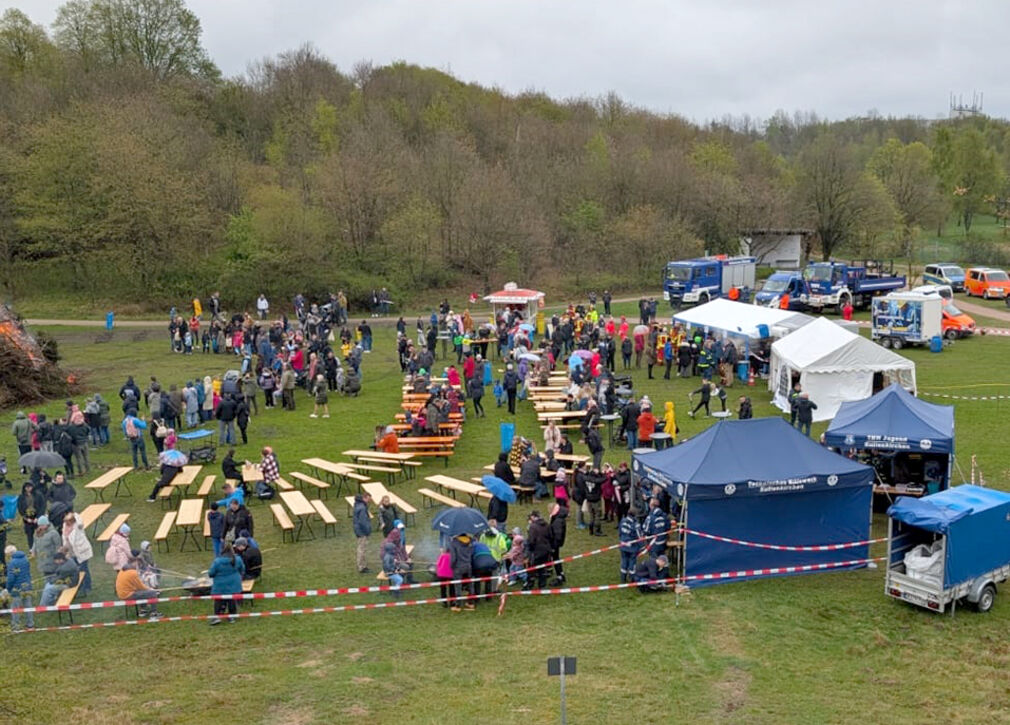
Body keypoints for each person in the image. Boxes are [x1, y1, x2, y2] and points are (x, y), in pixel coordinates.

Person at [208, 544, 245, 625]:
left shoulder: (217, 561)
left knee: (218, 601)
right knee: (232, 600)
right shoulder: (238, 559)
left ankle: (217, 616)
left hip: (220, 585)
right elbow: (242, 569)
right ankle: (232, 616)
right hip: (234, 584)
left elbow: (211, 573)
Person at [62, 512, 93, 596]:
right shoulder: (64, 527)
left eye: (68, 521)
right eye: (66, 521)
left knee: (83, 569)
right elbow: (65, 540)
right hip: (72, 553)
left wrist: (74, 516)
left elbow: (78, 518)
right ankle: (79, 586)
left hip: (82, 551)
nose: (66, 523)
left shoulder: (78, 527)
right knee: (75, 570)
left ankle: (87, 586)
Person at [6, 545, 34, 632]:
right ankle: (30, 625)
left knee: (15, 608)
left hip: (16, 588)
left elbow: (11, 578)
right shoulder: (25, 559)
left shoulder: (12, 563)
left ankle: (16, 626)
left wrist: (8, 588)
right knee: (28, 606)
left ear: (10, 554)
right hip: (27, 586)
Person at [526, 511, 552, 589]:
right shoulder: (546, 524)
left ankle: (530, 585)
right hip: (546, 549)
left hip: (536, 550)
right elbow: (550, 536)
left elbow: (531, 540)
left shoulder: (533, 527)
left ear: (534, 517)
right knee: (543, 568)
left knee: (532, 569)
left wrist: (530, 549)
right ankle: (542, 585)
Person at [448, 533, 475, 611]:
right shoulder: (471, 541)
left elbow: (453, 557)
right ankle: (471, 603)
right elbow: (472, 554)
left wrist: (451, 566)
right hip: (468, 565)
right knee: (470, 585)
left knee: (458, 586)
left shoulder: (454, 543)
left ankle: (458, 605)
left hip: (458, 566)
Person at [31, 515, 61, 583]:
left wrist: (58, 558)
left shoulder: (53, 533)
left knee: (53, 576)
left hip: (51, 559)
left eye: (42, 525)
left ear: (46, 524)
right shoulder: (37, 532)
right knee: (46, 576)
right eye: (39, 525)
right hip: (42, 559)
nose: (40, 527)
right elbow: (35, 542)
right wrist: (33, 551)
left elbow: (58, 546)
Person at [17, 481, 46, 549]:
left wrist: (38, 517)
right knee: (29, 534)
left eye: (30, 487)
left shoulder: (39, 495)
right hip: (27, 518)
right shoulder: (21, 497)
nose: (28, 489)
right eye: (26, 487)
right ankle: (31, 548)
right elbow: (20, 508)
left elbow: (43, 506)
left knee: (40, 533)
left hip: (37, 517)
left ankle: (40, 547)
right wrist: (26, 518)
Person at [618, 511, 642, 583]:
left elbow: (619, 532)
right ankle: (632, 578)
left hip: (623, 545)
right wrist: (642, 546)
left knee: (624, 561)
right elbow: (640, 536)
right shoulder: (635, 524)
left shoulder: (622, 521)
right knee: (632, 562)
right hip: (632, 547)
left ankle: (623, 578)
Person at [548, 502, 568, 585]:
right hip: (556, 542)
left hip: (555, 543)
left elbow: (557, 535)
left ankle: (560, 575)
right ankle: (560, 574)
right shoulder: (559, 517)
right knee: (556, 558)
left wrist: (553, 546)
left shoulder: (557, 521)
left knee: (556, 558)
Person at [353, 492, 372, 573]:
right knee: (362, 549)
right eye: (369, 498)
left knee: (361, 548)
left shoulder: (358, 505)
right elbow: (363, 521)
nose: (369, 500)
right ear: (365, 498)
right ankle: (362, 567)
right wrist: (368, 530)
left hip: (358, 530)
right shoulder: (362, 508)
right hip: (362, 531)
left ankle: (362, 565)